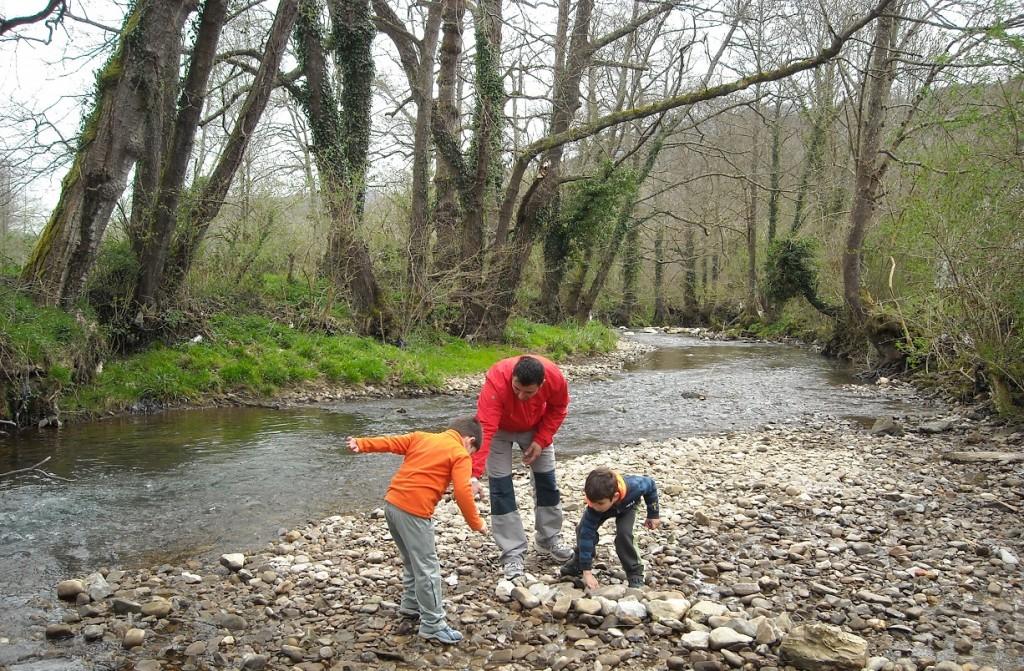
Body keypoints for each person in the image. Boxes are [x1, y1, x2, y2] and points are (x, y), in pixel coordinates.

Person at [347, 416, 488, 645]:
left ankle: (411, 605)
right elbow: (462, 492)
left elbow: (391, 442)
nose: (470, 456)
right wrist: (476, 523)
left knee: (411, 561)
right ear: (469, 440)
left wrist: (362, 443)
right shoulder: (460, 453)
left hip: (391, 505)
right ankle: (433, 624)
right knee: (427, 568)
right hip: (414, 512)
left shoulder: (421, 437)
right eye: (473, 451)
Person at [472, 354, 574, 579]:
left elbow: (559, 408)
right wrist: (473, 474)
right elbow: (486, 428)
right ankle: (512, 553)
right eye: (516, 388)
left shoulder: (555, 378)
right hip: (499, 430)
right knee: (500, 488)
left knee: (547, 481)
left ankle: (548, 539)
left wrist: (541, 440)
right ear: (512, 378)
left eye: (529, 392)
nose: (520, 396)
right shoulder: (497, 380)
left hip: (536, 428)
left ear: (542, 384)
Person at [559, 466, 660, 590]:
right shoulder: (594, 507)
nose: (594, 506)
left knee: (625, 534)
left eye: (599, 503)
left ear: (616, 496)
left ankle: (635, 572)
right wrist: (587, 571)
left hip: (627, 507)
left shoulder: (636, 485)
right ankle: (580, 561)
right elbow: (586, 535)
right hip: (605, 510)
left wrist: (653, 514)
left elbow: (651, 485)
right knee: (582, 530)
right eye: (590, 501)